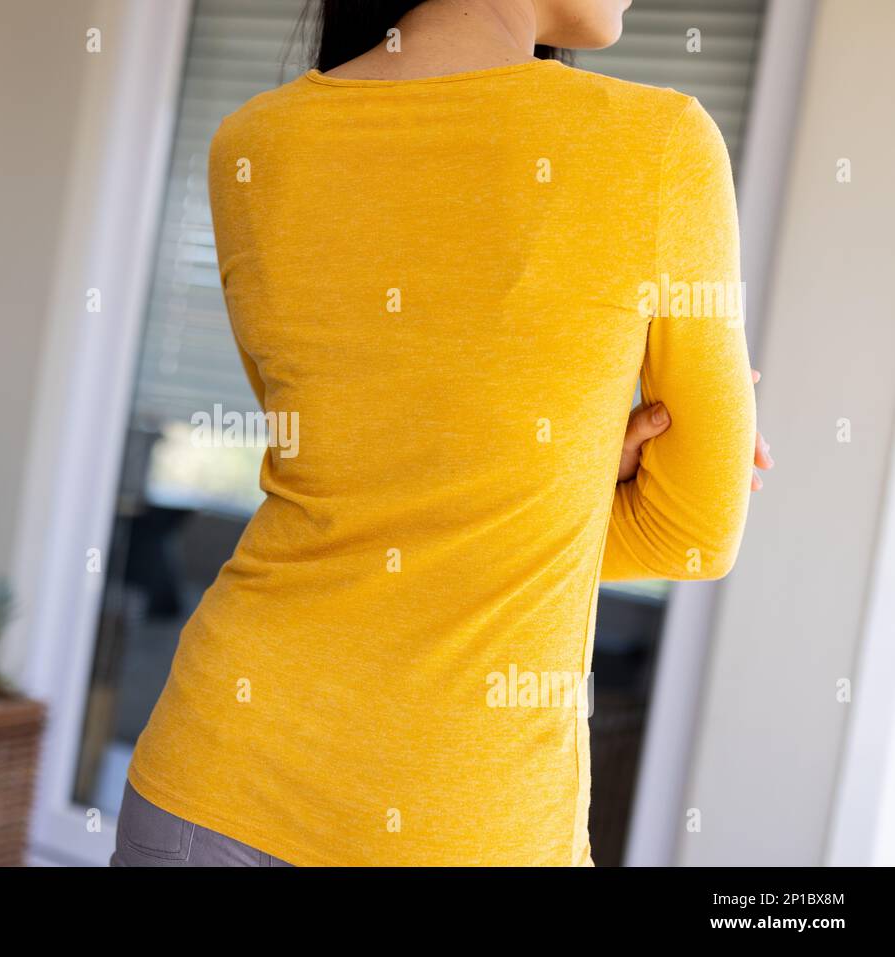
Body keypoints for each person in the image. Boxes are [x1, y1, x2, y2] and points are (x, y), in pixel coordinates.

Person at [112, 0, 772, 867]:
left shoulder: (254, 144)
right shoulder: (658, 147)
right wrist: (552, 488)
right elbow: (693, 533)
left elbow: (349, 486)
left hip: (211, 786)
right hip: (468, 828)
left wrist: (528, 481)